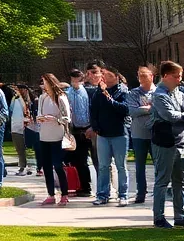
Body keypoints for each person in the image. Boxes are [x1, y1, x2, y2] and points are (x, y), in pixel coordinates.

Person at [151, 61, 184, 229]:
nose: (179, 79)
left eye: (180, 76)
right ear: (165, 76)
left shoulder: (179, 93)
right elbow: (169, 115)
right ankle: (159, 217)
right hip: (165, 143)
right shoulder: (159, 95)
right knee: (162, 181)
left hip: (180, 142)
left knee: (180, 181)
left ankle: (180, 215)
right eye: (176, 76)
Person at [89, 68, 130, 206]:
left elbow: (125, 109)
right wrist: (95, 126)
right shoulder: (98, 93)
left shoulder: (123, 91)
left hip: (119, 134)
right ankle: (102, 194)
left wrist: (110, 100)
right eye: (104, 75)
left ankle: (123, 194)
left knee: (121, 166)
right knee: (103, 166)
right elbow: (93, 111)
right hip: (103, 135)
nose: (104, 77)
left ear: (116, 77)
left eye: (108, 75)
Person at [35, 73, 71, 206]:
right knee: (47, 166)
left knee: (57, 165)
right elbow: (39, 114)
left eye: (45, 82)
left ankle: (64, 194)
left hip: (57, 136)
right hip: (44, 136)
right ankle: (50, 194)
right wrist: (40, 118)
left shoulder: (60, 97)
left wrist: (55, 119)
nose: (43, 85)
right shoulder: (42, 97)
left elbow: (67, 118)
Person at [126, 65, 156, 205]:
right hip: (139, 133)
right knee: (140, 165)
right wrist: (150, 108)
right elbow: (132, 112)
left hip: (155, 133)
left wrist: (143, 109)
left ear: (152, 76)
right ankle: (141, 192)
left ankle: (158, 191)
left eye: (144, 76)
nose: (142, 79)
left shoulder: (158, 92)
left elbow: (161, 109)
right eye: (139, 76)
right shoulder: (133, 93)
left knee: (159, 165)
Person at [66, 69, 93, 197]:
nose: (75, 83)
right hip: (74, 130)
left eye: (77, 80)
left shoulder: (88, 91)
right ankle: (80, 185)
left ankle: (86, 186)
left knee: (83, 160)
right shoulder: (68, 92)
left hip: (85, 128)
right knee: (75, 160)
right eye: (72, 80)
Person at [9, 84, 32, 176]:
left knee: (29, 148)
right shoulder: (15, 99)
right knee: (20, 149)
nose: (21, 91)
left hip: (29, 127)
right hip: (17, 127)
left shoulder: (31, 100)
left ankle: (28, 167)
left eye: (23, 89)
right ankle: (23, 166)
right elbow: (11, 111)